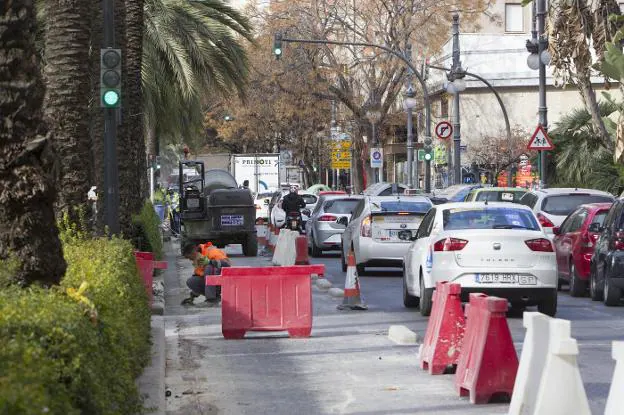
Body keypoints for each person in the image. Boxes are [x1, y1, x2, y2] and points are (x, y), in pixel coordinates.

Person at [181, 242, 231, 306]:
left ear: (193, 252)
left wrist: (210, 262)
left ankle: (211, 299)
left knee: (209, 267)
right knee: (191, 281)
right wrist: (192, 296)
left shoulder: (212, 251)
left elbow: (227, 264)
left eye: (189, 257)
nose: (190, 260)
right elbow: (202, 278)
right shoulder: (199, 259)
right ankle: (215, 297)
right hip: (214, 284)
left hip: (224, 281)